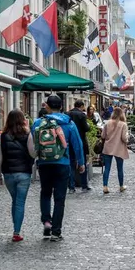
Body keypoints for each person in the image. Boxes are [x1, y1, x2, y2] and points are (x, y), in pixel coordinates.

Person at [31, 95, 85, 241]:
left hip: (44, 163)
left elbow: (32, 143)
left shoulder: (38, 123)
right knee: (60, 198)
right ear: (61, 107)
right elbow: (77, 144)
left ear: (47, 107)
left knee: (45, 193)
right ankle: (56, 231)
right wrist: (81, 163)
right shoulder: (68, 123)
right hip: (63, 163)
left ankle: (46, 221)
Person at [0, 109, 35, 242]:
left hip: (8, 174)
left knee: (15, 200)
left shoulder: (3, 135)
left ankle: (16, 229)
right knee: (19, 202)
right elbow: (33, 153)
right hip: (24, 173)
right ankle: (16, 232)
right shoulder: (28, 134)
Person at [100, 107, 129, 194]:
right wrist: (128, 139)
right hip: (119, 148)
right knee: (120, 168)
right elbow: (124, 138)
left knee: (107, 168)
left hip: (108, 148)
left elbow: (103, 136)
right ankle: (121, 186)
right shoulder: (123, 124)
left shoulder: (107, 123)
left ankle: (105, 186)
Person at [68, 100, 91, 193]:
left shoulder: (67, 114)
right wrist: (88, 126)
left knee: (71, 164)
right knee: (82, 162)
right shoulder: (82, 115)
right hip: (80, 140)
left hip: (69, 142)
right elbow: (86, 128)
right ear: (81, 106)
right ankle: (84, 185)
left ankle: (71, 187)